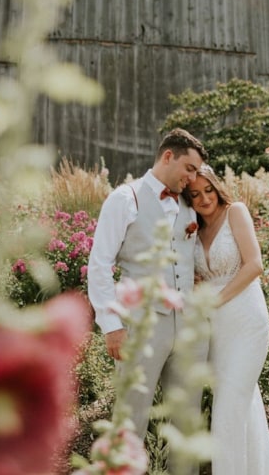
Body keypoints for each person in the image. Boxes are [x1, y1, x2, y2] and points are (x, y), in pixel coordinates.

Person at [86, 128, 210, 466]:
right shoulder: (125, 199)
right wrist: (111, 325)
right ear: (167, 156)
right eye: (189, 168)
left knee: (186, 419)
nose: (193, 177)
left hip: (187, 328)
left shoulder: (189, 203)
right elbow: (99, 265)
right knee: (132, 418)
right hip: (141, 326)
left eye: (197, 172)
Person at [184, 164, 269, 475]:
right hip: (217, 329)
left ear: (217, 187)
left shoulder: (236, 212)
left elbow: (254, 265)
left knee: (227, 410)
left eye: (208, 190)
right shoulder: (194, 230)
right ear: (189, 199)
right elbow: (198, 277)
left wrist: (215, 300)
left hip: (246, 318)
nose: (204, 198)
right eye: (195, 194)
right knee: (246, 408)